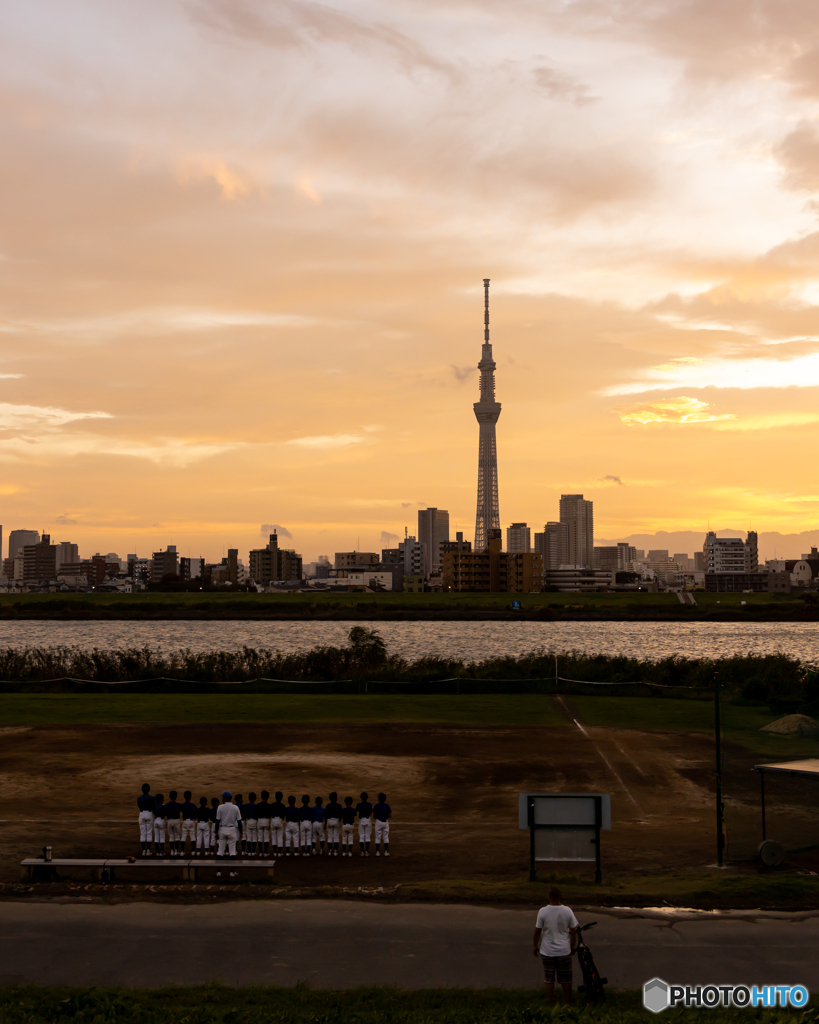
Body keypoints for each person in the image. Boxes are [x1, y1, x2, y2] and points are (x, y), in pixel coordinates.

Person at [532, 887, 578, 1001]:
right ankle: (567, 998)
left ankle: (549, 999)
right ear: (560, 897)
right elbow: (574, 930)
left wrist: (535, 945)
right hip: (564, 950)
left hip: (547, 951)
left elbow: (538, 931)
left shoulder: (543, 911)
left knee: (549, 977)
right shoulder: (567, 910)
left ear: (549, 897)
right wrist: (572, 945)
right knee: (566, 977)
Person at [215, 791, 242, 878]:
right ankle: (232, 872)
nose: (222, 798)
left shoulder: (220, 807)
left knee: (220, 851)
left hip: (222, 829)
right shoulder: (235, 807)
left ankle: (219, 872)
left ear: (225, 798)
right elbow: (239, 821)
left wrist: (215, 832)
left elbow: (217, 821)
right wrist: (241, 832)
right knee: (232, 851)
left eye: (223, 797)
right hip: (232, 829)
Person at [137, 783, 155, 857]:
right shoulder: (152, 797)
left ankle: (144, 850)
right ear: (149, 790)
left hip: (142, 814)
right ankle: (148, 850)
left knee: (143, 832)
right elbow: (153, 806)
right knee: (149, 832)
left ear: (142, 790)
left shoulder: (139, 798)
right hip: (149, 814)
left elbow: (139, 805)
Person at [373, 792, 391, 857]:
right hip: (385, 822)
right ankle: (386, 851)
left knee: (377, 837)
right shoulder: (387, 806)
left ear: (378, 799)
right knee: (385, 837)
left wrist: (377, 818)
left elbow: (374, 815)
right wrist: (385, 817)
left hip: (378, 822)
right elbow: (389, 815)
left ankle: (377, 852)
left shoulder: (376, 806)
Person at [165, 790, 182, 857]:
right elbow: (181, 810)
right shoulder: (178, 805)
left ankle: (172, 850)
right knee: (177, 835)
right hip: (176, 821)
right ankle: (176, 851)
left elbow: (165, 813)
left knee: (171, 835)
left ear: (169, 796)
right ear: (176, 797)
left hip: (169, 821)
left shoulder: (167, 805)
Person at [325, 792, 343, 857]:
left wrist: (325, 823)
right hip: (336, 820)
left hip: (329, 821)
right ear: (336, 798)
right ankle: (335, 850)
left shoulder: (328, 805)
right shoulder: (339, 806)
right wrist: (339, 821)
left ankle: (330, 851)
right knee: (336, 836)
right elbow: (341, 815)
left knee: (330, 836)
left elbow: (326, 815)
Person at [356, 791, 373, 857]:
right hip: (368, 820)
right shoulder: (369, 804)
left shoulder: (358, 804)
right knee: (367, 836)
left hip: (361, 820)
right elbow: (371, 812)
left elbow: (357, 811)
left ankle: (362, 851)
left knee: (362, 836)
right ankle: (367, 852)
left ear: (361, 798)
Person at [181, 791, 197, 857]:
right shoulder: (193, 805)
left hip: (185, 821)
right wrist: (194, 819)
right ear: (190, 797)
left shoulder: (182, 805)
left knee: (183, 836)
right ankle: (193, 851)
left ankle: (182, 851)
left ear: (184, 797)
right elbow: (196, 813)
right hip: (191, 821)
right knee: (193, 836)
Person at [270, 791, 286, 857]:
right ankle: (279, 852)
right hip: (279, 820)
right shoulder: (282, 806)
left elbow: (270, 813)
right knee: (280, 837)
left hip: (273, 820)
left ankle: (275, 852)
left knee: (274, 837)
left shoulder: (272, 805)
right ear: (281, 798)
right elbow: (283, 815)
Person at [243, 793, 259, 857]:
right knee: (254, 836)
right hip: (255, 821)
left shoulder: (246, 805)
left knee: (249, 836)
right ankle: (253, 851)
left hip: (248, 821)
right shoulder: (256, 806)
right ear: (255, 799)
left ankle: (249, 851)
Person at [256, 790, 271, 857]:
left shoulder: (258, 805)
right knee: (266, 837)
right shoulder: (269, 805)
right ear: (267, 797)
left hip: (259, 820)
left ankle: (260, 852)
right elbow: (270, 815)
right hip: (266, 820)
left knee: (260, 837)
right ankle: (265, 852)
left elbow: (256, 814)